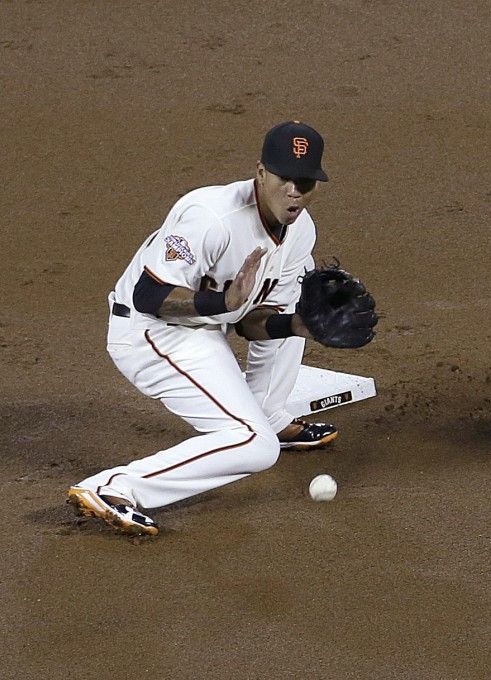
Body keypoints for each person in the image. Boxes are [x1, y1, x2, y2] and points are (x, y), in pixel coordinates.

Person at [68, 120, 373, 536]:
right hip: (149, 333)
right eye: (285, 179)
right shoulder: (210, 216)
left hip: (210, 326)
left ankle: (268, 414)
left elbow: (251, 325)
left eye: (306, 182)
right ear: (262, 173)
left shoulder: (300, 232)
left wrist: (300, 325)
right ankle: (114, 487)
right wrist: (221, 304)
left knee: (299, 316)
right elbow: (148, 299)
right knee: (255, 446)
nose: (295, 192)